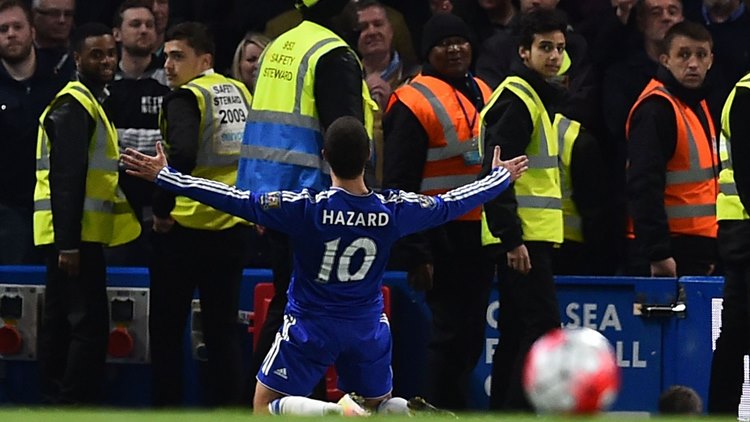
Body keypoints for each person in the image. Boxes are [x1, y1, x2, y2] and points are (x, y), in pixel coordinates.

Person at [122, 115, 529, 416]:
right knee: (378, 406)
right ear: (368, 156)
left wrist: (166, 176)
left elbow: (234, 199)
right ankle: (407, 411)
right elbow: (450, 203)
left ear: (325, 157)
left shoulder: (306, 209)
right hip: (368, 328)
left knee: (264, 405)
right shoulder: (393, 209)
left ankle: (332, 411)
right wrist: (498, 179)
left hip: (311, 326)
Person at [236, 0, 377, 402]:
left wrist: (258, 197)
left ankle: (280, 403)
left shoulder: (281, 46)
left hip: (275, 196)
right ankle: (267, 402)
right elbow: (345, 136)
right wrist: (358, 200)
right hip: (317, 202)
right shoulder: (332, 54)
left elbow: (265, 129)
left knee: (293, 308)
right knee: (300, 313)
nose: (356, 10)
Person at [382, 12, 494, 410]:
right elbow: (399, 183)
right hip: (438, 234)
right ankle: (440, 410)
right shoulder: (412, 100)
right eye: (444, 44)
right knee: (448, 337)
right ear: (428, 52)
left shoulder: (484, 90)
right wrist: (416, 252)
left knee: (469, 337)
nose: (455, 49)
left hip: (478, 234)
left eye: (460, 41)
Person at [34, 22, 140, 404]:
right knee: (87, 325)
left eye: (111, 53)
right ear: (77, 59)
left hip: (77, 234)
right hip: (75, 237)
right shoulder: (74, 105)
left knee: (62, 321)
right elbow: (67, 179)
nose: (107, 60)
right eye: (96, 54)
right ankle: (74, 402)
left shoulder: (89, 102)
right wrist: (69, 245)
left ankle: (55, 399)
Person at [149, 21, 251, 407]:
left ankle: (168, 411)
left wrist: (161, 210)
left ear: (204, 60)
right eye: (166, 56)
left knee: (167, 330)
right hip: (232, 225)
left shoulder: (185, 98)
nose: (168, 65)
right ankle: (230, 412)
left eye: (178, 56)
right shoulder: (239, 91)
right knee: (222, 332)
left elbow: (182, 155)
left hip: (185, 228)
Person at [477, 8, 567, 411]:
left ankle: (504, 412)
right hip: (523, 239)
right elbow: (495, 174)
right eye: (545, 47)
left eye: (560, 48)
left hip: (527, 236)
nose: (554, 56)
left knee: (516, 333)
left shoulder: (532, 97)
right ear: (523, 52)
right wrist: (512, 238)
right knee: (542, 329)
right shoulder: (518, 100)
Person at [624, 21, 718, 277]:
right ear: (665, 60)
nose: (693, 64)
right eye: (683, 55)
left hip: (697, 247)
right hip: (668, 248)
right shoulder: (656, 109)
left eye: (701, 55)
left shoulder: (697, 104)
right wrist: (658, 253)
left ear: (711, 60)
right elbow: (643, 185)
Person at [0, 0, 71, 265]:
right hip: (7, 208)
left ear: (32, 30)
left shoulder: (62, 76)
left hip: (59, 205)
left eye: (17, 27)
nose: (11, 34)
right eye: (3, 29)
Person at [105, 0, 170, 266]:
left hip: (160, 200)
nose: (144, 30)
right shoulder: (103, 81)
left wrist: (122, 143)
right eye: (135, 24)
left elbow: (174, 143)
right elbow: (100, 142)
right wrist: (152, 144)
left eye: (149, 25)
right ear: (117, 33)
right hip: (113, 201)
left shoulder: (170, 78)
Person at [707, 71, 750, 416]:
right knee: (735, 332)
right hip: (745, 231)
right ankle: (721, 413)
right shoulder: (746, 94)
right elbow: (746, 175)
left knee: (736, 330)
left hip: (740, 229)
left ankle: (721, 413)